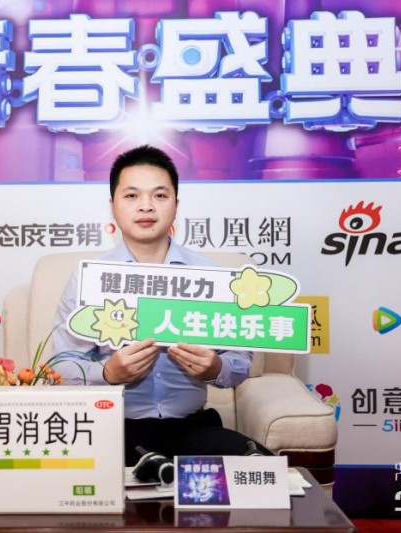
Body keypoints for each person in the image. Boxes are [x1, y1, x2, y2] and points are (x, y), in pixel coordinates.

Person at [51, 144, 271, 467]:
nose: (146, 206)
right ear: (112, 206)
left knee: (263, 469)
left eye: (159, 195)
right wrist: (107, 373)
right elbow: (60, 365)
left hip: (192, 428)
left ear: (176, 205)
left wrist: (215, 368)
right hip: (113, 428)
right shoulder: (89, 279)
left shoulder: (210, 276)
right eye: (131, 195)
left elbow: (239, 360)